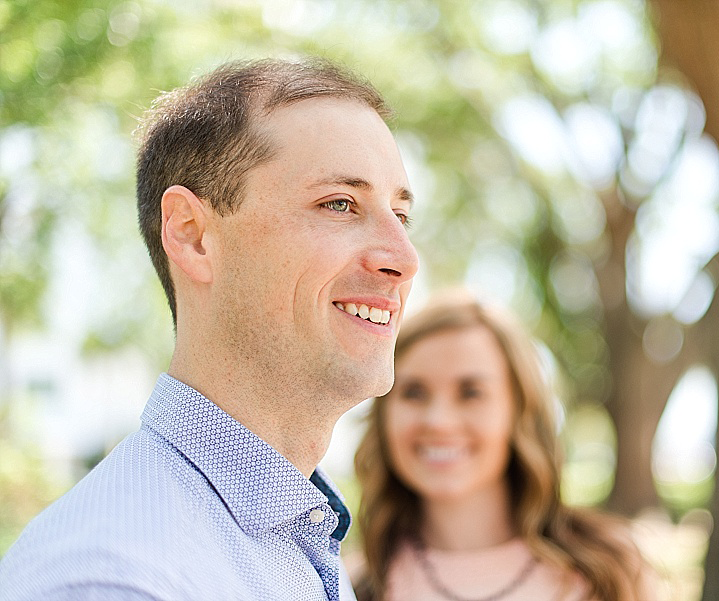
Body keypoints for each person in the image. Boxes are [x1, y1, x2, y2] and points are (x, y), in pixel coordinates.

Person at [0, 57, 418, 600]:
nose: (404, 258)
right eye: (339, 203)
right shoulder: (111, 578)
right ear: (193, 235)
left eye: (401, 215)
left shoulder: (296, 541)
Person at [352, 294, 654, 601]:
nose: (439, 421)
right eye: (413, 392)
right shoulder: (349, 584)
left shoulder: (611, 571)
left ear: (519, 410)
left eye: (471, 392)